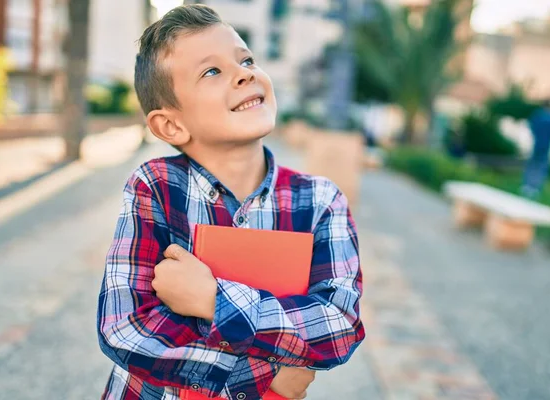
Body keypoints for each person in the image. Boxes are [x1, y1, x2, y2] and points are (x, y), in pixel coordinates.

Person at [96, 5, 365, 400]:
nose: (245, 73)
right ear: (171, 125)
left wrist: (211, 300)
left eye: (246, 59)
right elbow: (125, 328)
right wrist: (261, 372)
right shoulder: (154, 187)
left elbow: (339, 325)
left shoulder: (321, 200)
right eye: (212, 71)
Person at [521, 99, 550, 199]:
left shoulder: (538, 116)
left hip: (536, 144)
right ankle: (535, 188)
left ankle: (527, 186)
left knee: (532, 165)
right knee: (541, 167)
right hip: (547, 146)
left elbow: (531, 126)